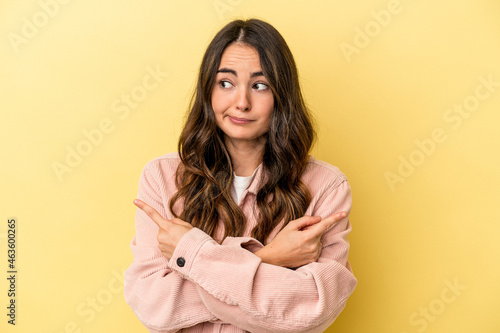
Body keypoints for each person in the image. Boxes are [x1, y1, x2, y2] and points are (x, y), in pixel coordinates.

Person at [124, 18, 357, 333]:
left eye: (260, 85)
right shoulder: (162, 177)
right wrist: (270, 258)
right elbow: (153, 306)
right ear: (208, 91)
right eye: (226, 83)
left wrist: (191, 255)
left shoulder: (326, 186)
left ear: (281, 95)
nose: (242, 102)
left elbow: (312, 308)